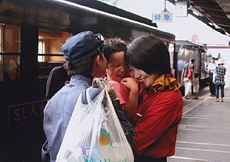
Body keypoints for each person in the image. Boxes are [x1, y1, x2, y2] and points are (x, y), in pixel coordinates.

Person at [41, 31, 134, 162]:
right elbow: (125, 137)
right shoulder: (95, 98)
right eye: (104, 56)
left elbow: (47, 149)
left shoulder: (54, 99)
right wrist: (114, 102)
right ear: (98, 60)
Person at [126, 35, 183, 162]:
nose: (135, 75)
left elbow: (137, 142)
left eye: (139, 68)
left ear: (154, 62)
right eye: (131, 70)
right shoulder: (146, 86)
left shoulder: (168, 98)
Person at [104, 39, 138, 120]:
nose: (123, 69)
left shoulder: (109, 83)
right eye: (116, 66)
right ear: (105, 68)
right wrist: (134, 90)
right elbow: (127, 115)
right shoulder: (115, 86)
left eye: (126, 65)